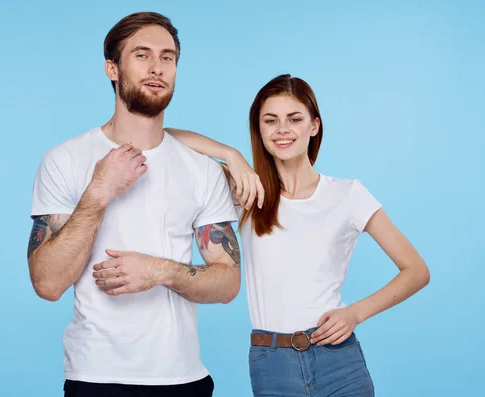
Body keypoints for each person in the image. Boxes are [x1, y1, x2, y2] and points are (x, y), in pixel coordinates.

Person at [166, 74, 431, 396]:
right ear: (259, 129)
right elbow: (168, 137)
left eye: (294, 119)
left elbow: (417, 270)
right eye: (270, 120)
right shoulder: (248, 193)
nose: (282, 130)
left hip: (338, 358)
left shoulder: (349, 195)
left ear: (314, 126)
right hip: (272, 361)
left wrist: (355, 313)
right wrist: (232, 155)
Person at [27, 12, 241, 397]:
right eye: (141, 55)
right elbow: (47, 282)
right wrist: (98, 194)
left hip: (183, 379)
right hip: (95, 379)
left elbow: (228, 282)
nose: (157, 67)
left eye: (168, 57)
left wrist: (160, 271)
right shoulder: (66, 159)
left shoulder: (202, 169)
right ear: (113, 68)